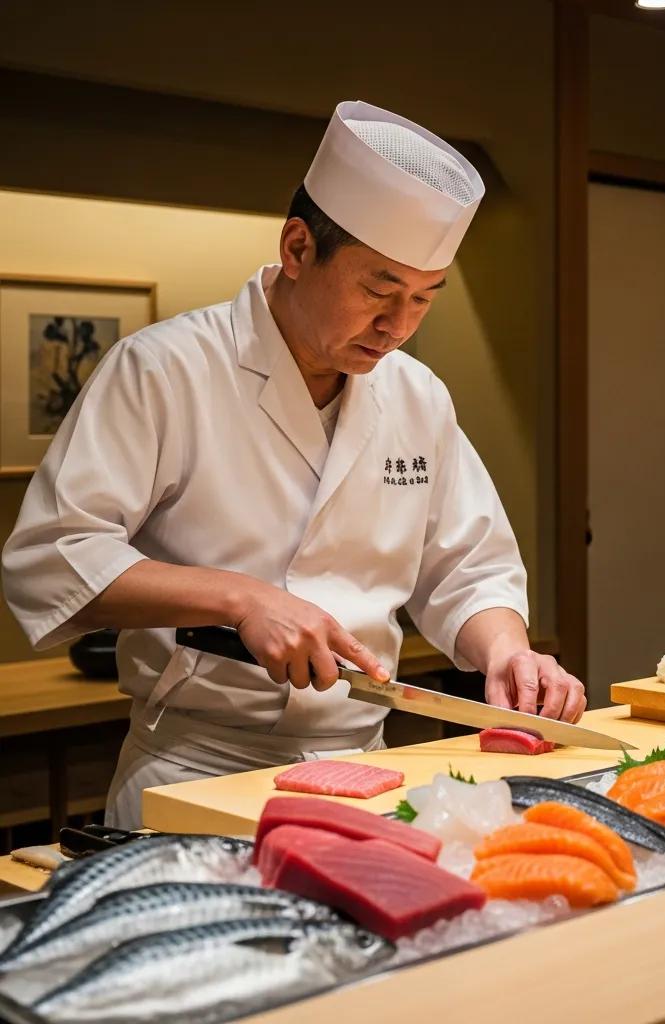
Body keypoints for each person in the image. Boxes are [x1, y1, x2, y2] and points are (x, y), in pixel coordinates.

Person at [2, 100, 586, 828]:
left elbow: (468, 566)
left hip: (368, 769)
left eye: (422, 300)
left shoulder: (416, 395)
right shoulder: (165, 369)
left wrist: (506, 652)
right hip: (195, 769)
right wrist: (240, 600)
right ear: (298, 247)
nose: (396, 327)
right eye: (378, 290)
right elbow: (51, 558)